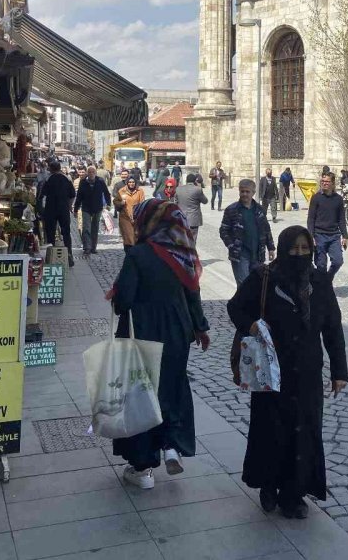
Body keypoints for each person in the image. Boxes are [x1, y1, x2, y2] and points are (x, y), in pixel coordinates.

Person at [228, 226, 348, 519]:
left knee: (304, 432)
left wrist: (339, 371)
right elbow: (235, 307)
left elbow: (333, 327)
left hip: (307, 371)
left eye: (304, 249)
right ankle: (268, 485)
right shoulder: (263, 278)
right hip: (271, 368)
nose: (299, 254)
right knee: (271, 429)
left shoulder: (319, 282)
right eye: (293, 249)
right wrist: (252, 325)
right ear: (283, 249)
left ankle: (294, 494)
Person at [112, 199, 211, 489]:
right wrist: (200, 327)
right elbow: (193, 292)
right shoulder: (182, 254)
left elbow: (123, 301)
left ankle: (142, 468)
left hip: (143, 332)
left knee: (141, 393)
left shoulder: (139, 254)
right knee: (172, 387)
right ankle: (171, 446)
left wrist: (118, 293)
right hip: (177, 332)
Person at [220, 178, 275, 285]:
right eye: (242, 191)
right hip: (240, 255)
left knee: (257, 285)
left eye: (247, 191)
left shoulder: (259, 209)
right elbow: (223, 230)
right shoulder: (231, 210)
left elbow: (266, 229)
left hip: (258, 254)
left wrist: (271, 248)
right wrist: (231, 246)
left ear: (253, 193)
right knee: (244, 285)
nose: (244, 194)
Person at [306, 172, 347, 279]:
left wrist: (345, 236)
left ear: (332, 183)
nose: (324, 183)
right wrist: (311, 236)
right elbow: (311, 219)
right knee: (321, 265)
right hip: (319, 235)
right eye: (323, 181)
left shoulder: (338, 199)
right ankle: (322, 285)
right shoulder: (316, 198)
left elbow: (341, 219)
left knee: (338, 261)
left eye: (327, 181)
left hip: (334, 236)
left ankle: (328, 278)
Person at [40, 160, 76, 267]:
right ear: (60, 168)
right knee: (66, 233)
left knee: (50, 233)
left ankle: (51, 257)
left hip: (50, 209)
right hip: (63, 209)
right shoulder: (67, 179)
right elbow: (73, 195)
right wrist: (69, 205)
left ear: (50, 169)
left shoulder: (48, 179)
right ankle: (69, 256)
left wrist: (42, 209)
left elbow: (42, 196)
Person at [73, 166, 111, 256]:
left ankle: (93, 247)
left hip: (97, 208)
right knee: (86, 228)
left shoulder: (100, 181)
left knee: (95, 228)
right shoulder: (83, 182)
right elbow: (79, 196)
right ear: (87, 173)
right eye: (89, 172)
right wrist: (76, 209)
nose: (91, 174)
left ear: (95, 173)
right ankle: (87, 247)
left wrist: (108, 204)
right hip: (86, 208)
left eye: (93, 172)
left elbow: (106, 193)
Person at [114, 175, 146, 254]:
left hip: (136, 217)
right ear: (127, 183)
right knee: (128, 237)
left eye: (133, 182)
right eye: (130, 182)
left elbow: (142, 203)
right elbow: (115, 201)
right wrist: (121, 203)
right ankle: (128, 253)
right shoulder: (121, 191)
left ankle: (135, 253)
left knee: (136, 237)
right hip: (125, 217)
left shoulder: (140, 191)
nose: (131, 184)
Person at [177, 174, 208, 240]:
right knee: (193, 239)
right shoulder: (197, 189)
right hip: (194, 218)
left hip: (182, 217)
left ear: (186, 180)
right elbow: (205, 201)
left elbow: (175, 202)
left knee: (183, 239)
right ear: (195, 181)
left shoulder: (178, 189)